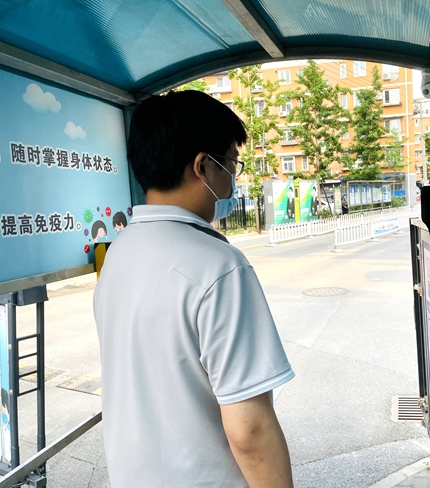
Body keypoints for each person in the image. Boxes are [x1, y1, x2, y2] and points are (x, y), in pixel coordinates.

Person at [94, 90, 294, 488]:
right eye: (232, 164)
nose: (233, 180)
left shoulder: (118, 253)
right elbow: (250, 429)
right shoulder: (218, 266)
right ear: (203, 166)